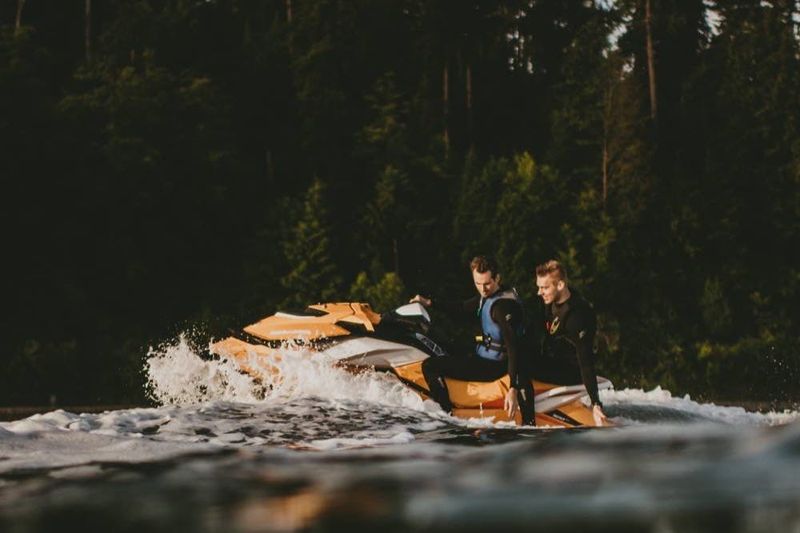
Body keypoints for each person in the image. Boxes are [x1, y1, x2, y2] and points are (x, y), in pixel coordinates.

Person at [410, 256, 536, 425]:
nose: (483, 289)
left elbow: (513, 346)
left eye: (487, 283)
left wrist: (512, 387)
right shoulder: (490, 295)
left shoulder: (502, 307)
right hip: (483, 356)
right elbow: (462, 307)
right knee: (444, 346)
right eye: (478, 283)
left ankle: (446, 417)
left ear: (497, 278)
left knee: (430, 366)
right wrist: (429, 303)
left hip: (493, 367)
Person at [534, 260, 608, 426]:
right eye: (539, 287)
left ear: (560, 285)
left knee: (521, 362)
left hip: (572, 372)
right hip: (555, 362)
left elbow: (586, 361)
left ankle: (526, 420)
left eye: (544, 287)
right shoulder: (551, 301)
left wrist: (596, 403)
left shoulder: (577, 316)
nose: (539, 292)